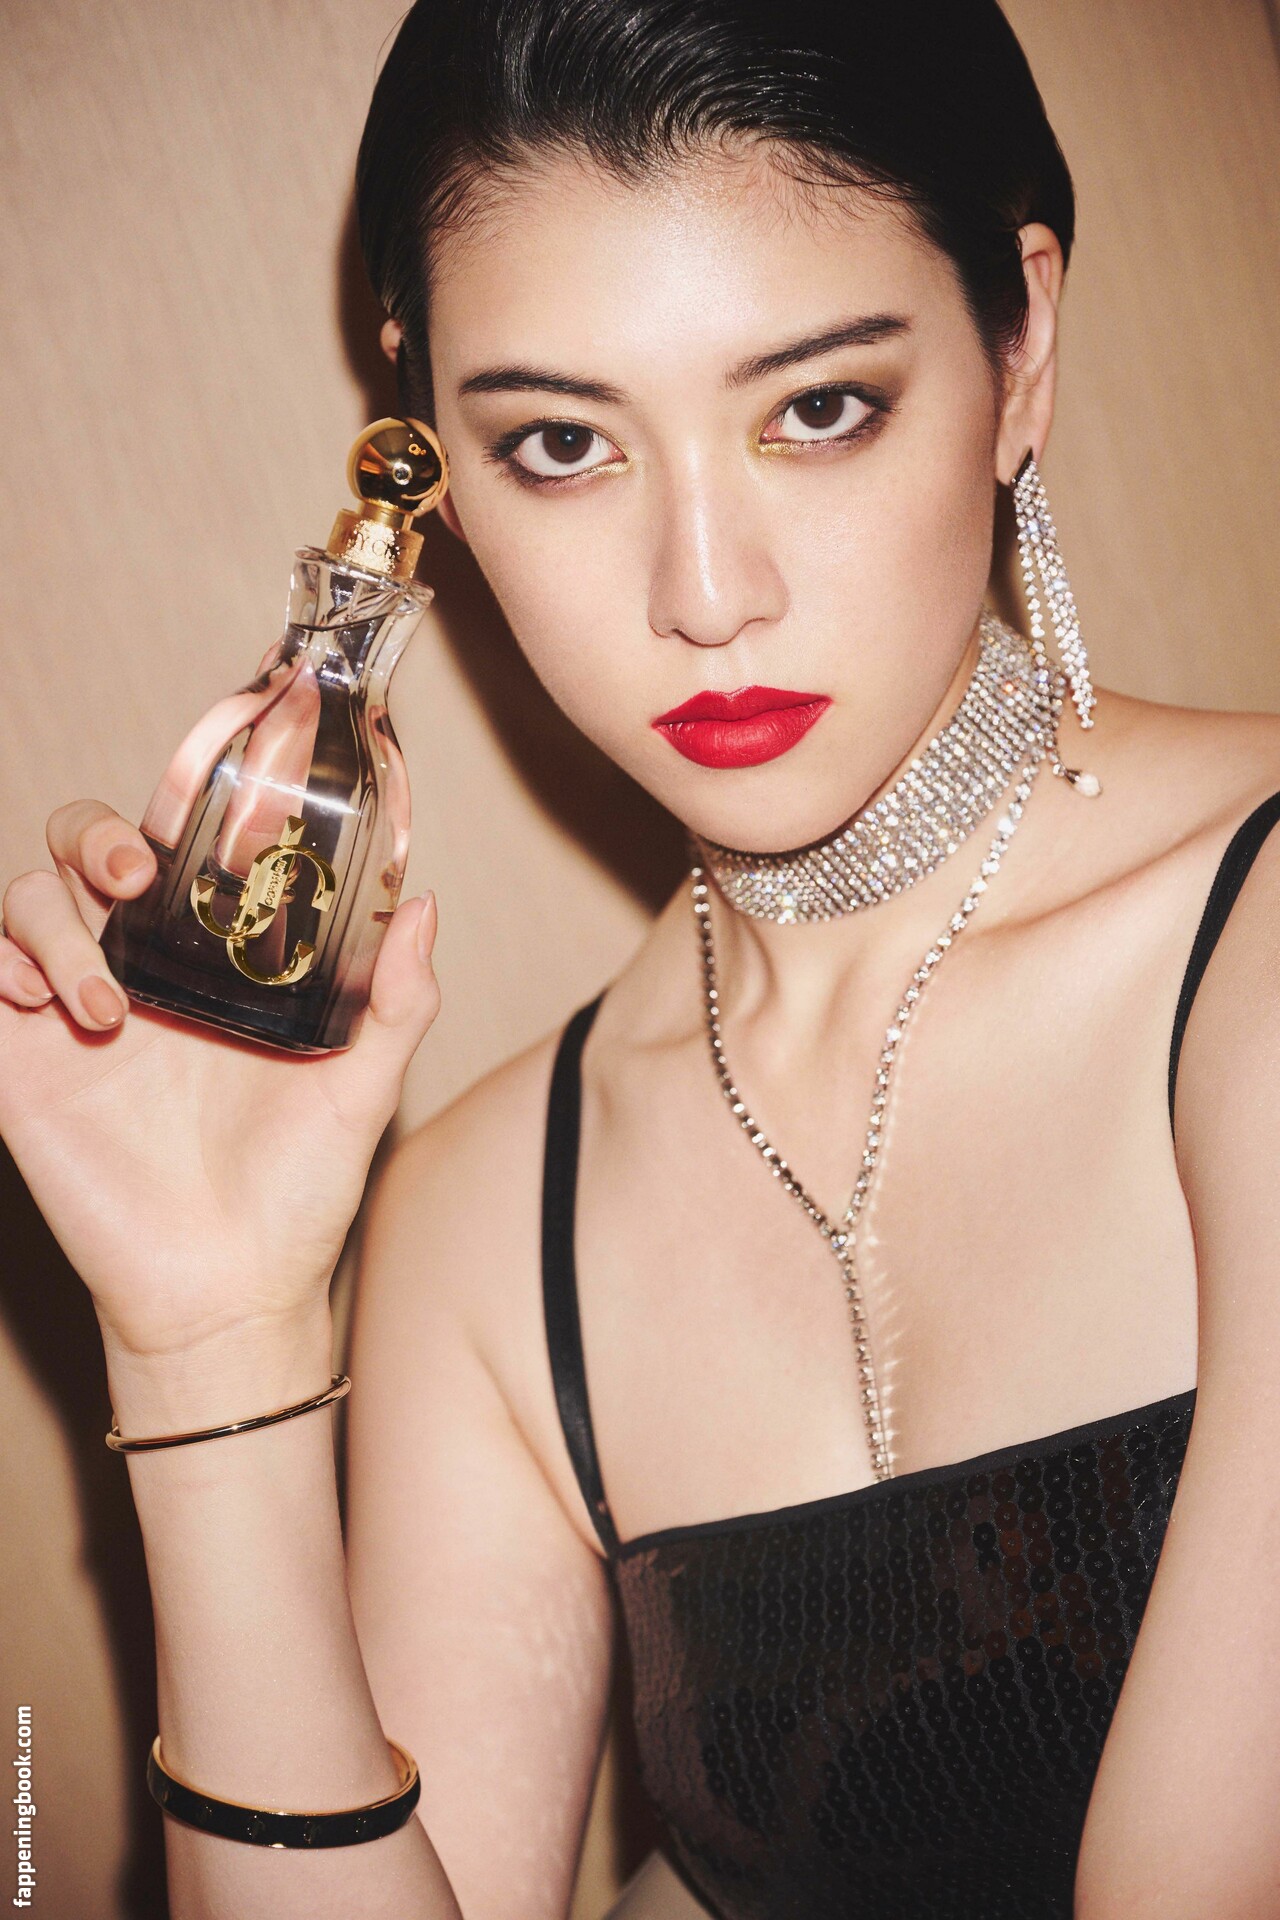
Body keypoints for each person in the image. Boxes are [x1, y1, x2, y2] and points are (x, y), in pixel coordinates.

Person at [3, 2, 1279, 1915]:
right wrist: (209, 1339)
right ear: (438, 457)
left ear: (1020, 344)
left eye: (817, 408)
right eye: (562, 443)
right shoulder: (483, 1224)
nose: (704, 592)